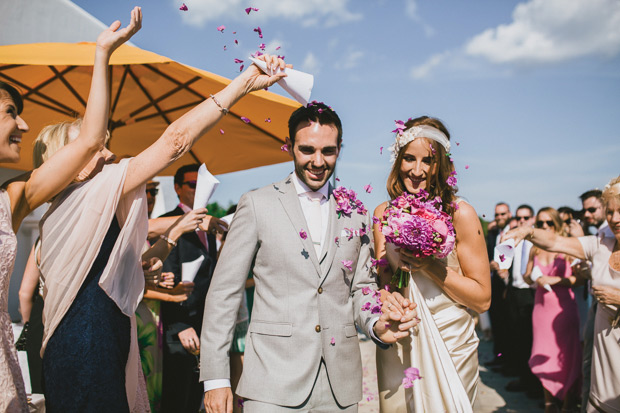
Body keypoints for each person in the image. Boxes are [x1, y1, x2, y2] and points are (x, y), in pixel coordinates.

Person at [34, 19, 291, 410]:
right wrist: (243, 83)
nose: (106, 150)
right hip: (90, 344)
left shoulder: (60, 212)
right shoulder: (88, 193)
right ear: (69, 165)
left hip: (81, 343)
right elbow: (175, 141)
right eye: (89, 147)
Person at [201, 102, 418, 413]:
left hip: (339, 386)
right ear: (289, 146)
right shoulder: (256, 204)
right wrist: (215, 378)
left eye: (328, 151)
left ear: (340, 149)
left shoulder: (356, 213)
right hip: (271, 384)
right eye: (307, 150)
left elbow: (361, 288)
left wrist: (375, 326)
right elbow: (224, 292)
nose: (318, 161)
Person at [0, 10, 143, 411]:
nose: (24, 125)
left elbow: (91, 138)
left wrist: (102, 54)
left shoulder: (12, 197)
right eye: (11, 111)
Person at [373, 116, 491, 412]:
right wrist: (386, 295)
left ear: (442, 165)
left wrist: (430, 265)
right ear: (397, 160)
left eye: (428, 160)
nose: (417, 170)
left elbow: (483, 299)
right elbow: (382, 284)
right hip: (399, 339)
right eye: (409, 158)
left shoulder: (461, 213)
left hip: (450, 340)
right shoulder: (382, 213)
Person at [504, 176, 620, 413]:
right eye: (610, 212)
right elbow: (555, 241)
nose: (615, 219)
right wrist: (527, 230)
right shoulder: (600, 244)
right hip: (605, 353)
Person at [159, 164, 226, 412]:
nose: (198, 190)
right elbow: (166, 276)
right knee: (176, 398)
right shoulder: (167, 221)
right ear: (177, 188)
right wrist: (179, 325)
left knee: (195, 399)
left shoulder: (208, 228)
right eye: (192, 185)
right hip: (179, 328)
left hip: (203, 326)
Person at [522, 207, 582, 412]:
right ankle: (549, 403)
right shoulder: (534, 247)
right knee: (542, 353)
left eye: (549, 223)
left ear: (557, 223)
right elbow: (525, 276)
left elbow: (580, 278)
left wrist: (556, 279)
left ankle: (568, 403)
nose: (545, 227)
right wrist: (534, 278)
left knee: (567, 356)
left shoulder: (568, 246)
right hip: (541, 308)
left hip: (563, 308)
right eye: (540, 223)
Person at [503, 204, 540, 396]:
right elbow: (505, 263)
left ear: (532, 219)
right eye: (519, 218)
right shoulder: (513, 239)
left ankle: (534, 384)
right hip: (515, 291)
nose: (522, 221)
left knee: (532, 340)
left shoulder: (537, 240)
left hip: (532, 293)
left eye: (526, 218)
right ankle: (523, 378)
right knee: (518, 337)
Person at [486, 202, 512, 368]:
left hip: (510, 284)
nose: (500, 217)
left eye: (503, 214)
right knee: (496, 321)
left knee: (509, 325)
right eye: (497, 215)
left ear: (509, 214)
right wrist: (490, 264)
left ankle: (509, 361)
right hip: (495, 282)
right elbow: (486, 255)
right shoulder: (493, 234)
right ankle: (499, 356)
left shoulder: (513, 233)